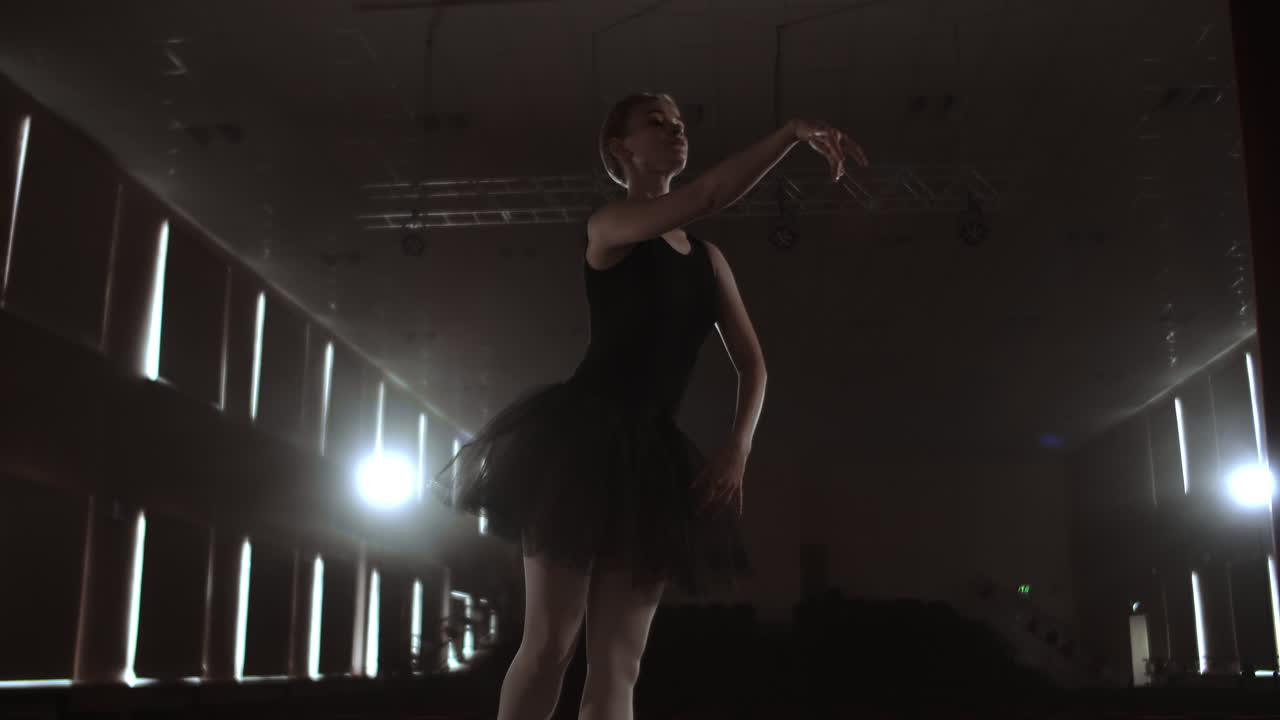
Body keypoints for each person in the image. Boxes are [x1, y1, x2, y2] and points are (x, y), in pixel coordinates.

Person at [432, 91, 866, 720]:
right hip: (578, 443)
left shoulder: (710, 261)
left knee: (620, 663)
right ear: (621, 148)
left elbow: (754, 365)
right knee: (552, 642)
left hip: (652, 458)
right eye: (657, 124)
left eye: (682, 124)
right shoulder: (608, 227)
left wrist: (738, 449)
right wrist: (789, 134)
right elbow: (708, 198)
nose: (675, 132)